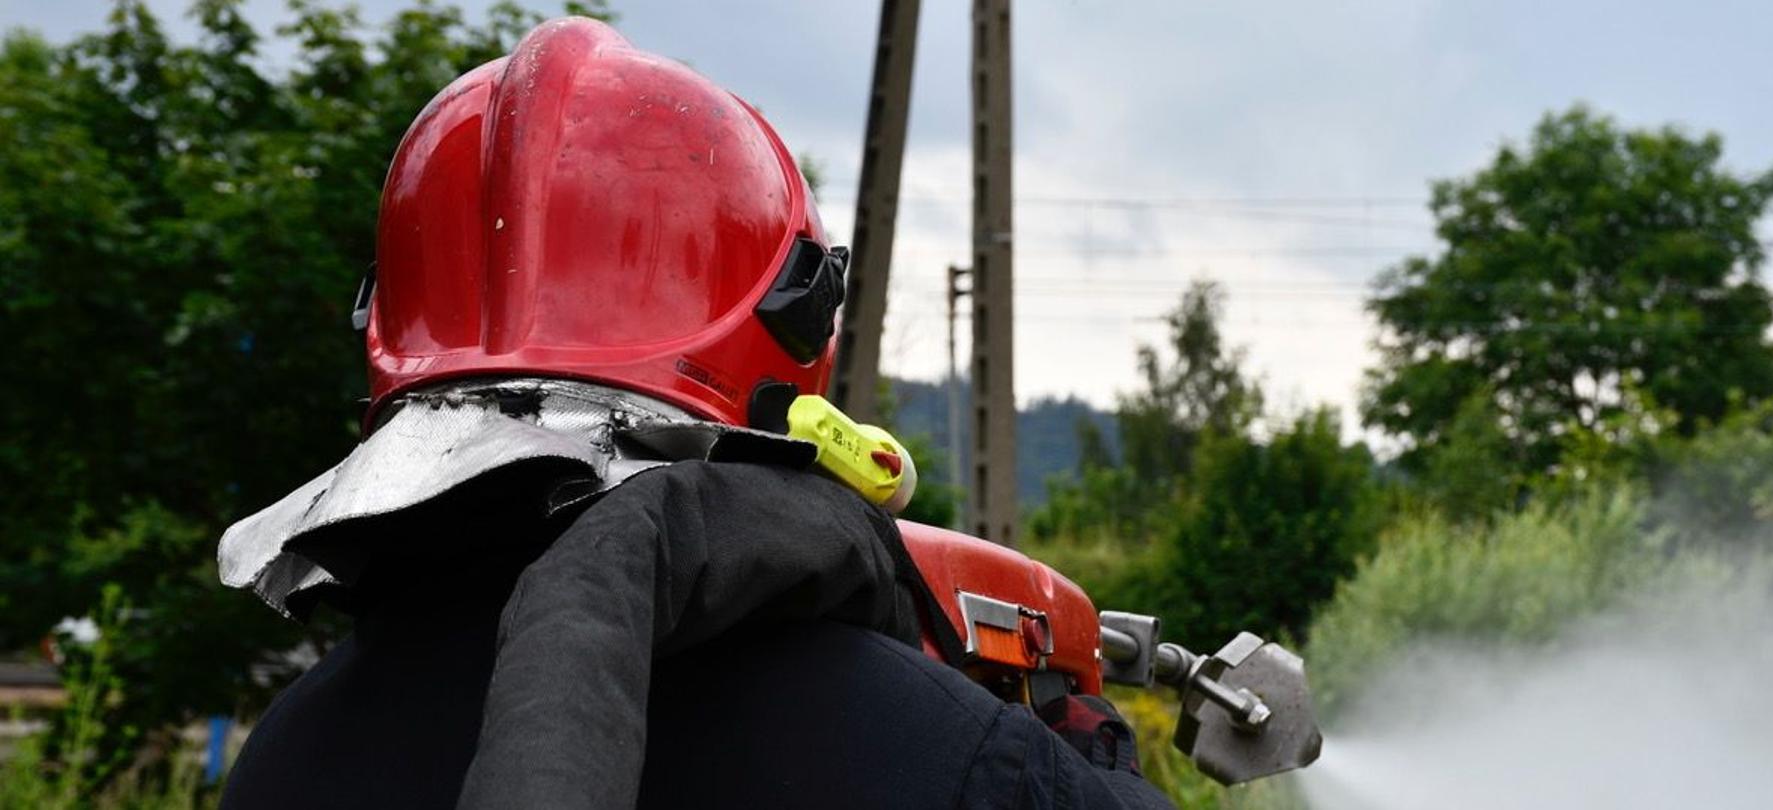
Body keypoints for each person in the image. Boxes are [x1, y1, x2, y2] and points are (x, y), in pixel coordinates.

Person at [217, 17, 1171, 810]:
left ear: (390, 331)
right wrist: (1084, 757)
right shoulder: (945, 752)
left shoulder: (286, 757)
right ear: (795, 337)